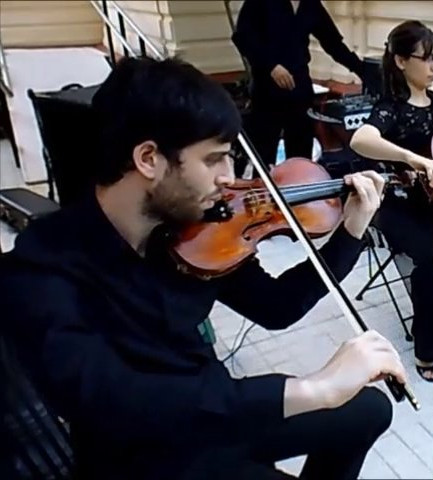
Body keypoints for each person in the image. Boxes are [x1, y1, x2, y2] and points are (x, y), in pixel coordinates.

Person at [0, 56, 408, 480]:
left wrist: (350, 233)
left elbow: (276, 307)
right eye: (213, 159)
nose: (229, 179)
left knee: (369, 410)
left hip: (214, 408)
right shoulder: (42, 271)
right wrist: (310, 389)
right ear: (148, 159)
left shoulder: (190, 230)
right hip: (148, 453)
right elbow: (120, 401)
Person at [349, 20, 433, 382]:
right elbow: (361, 139)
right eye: (429, 58)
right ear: (403, 61)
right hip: (399, 205)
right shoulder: (391, 107)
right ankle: (429, 346)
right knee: (431, 257)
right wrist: (413, 158)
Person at [231, 0, 366, 174]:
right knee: (264, 150)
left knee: (301, 150)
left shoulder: (311, 5)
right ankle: (264, 195)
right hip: (267, 88)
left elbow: (332, 43)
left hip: (300, 85)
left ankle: (299, 193)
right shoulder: (259, 3)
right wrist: (271, 66)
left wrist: (363, 70)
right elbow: (242, 37)